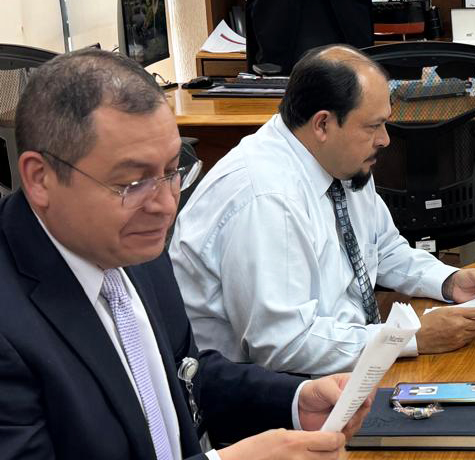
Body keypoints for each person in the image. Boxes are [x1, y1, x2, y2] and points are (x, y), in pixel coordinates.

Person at [0, 48, 369, 460]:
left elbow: (184, 376)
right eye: (132, 183)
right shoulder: (10, 329)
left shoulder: (132, 243)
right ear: (40, 178)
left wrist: (295, 401)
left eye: (173, 171)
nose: (165, 206)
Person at [171, 45, 475, 377]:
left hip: (339, 358)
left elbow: (382, 247)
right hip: (273, 388)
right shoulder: (266, 199)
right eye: (373, 126)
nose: (385, 140)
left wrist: (448, 281)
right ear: (323, 124)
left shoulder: (339, 159)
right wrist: (406, 339)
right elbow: (284, 343)